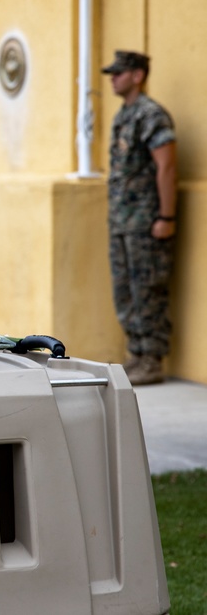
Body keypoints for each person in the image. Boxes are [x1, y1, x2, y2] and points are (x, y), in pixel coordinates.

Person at [101, 50, 178, 386]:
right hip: (122, 220)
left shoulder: (152, 115)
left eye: (119, 73)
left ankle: (152, 358)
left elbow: (167, 166)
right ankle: (136, 354)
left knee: (148, 288)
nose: (113, 79)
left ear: (137, 75)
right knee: (125, 290)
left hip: (147, 221)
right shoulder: (124, 115)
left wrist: (166, 215)